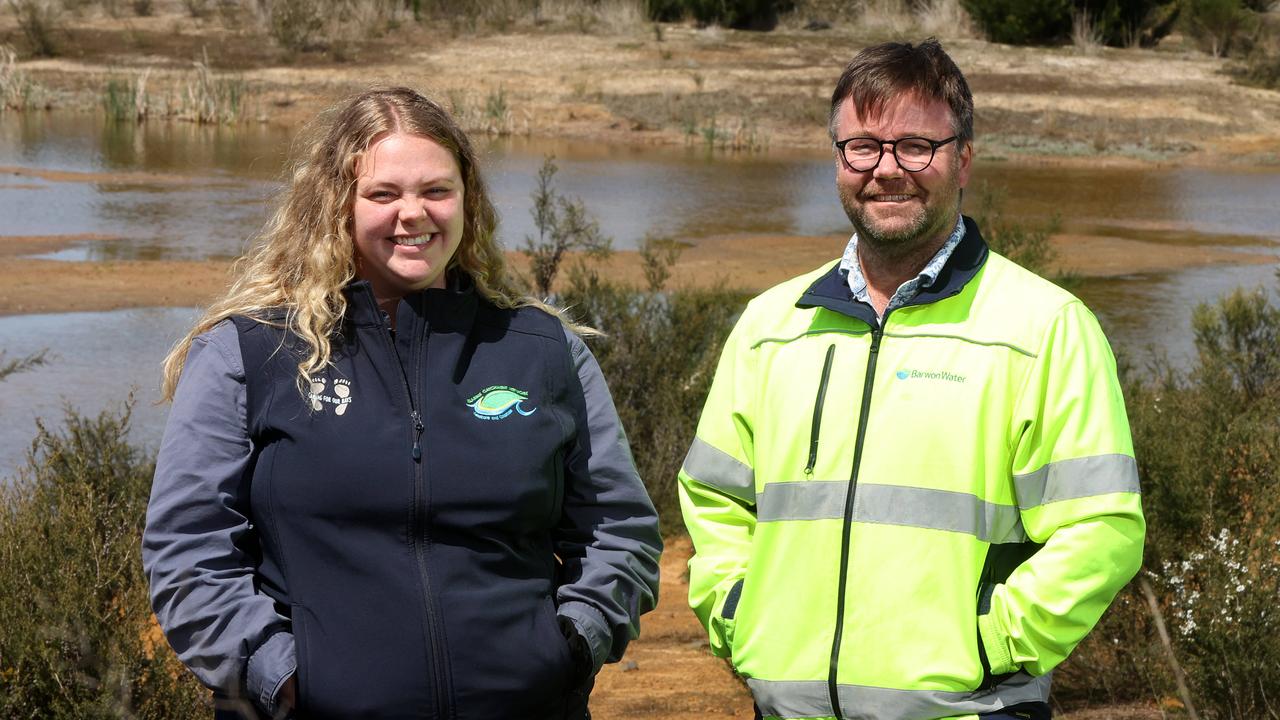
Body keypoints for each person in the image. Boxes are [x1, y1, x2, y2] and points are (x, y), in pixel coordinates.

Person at [143, 86, 662, 720]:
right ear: (337, 204)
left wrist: (570, 646)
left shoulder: (542, 350)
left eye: (435, 191)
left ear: (467, 199)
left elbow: (619, 531)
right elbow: (188, 547)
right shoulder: (249, 354)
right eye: (383, 194)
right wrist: (280, 674)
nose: (412, 214)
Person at [678, 39, 1144, 720]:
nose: (887, 170)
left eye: (916, 146)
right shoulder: (770, 327)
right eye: (862, 147)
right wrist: (745, 617)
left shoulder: (1044, 329)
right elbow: (715, 504)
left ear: (964, 160)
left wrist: (987, 643)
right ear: (837, 161)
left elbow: (1102, 531)